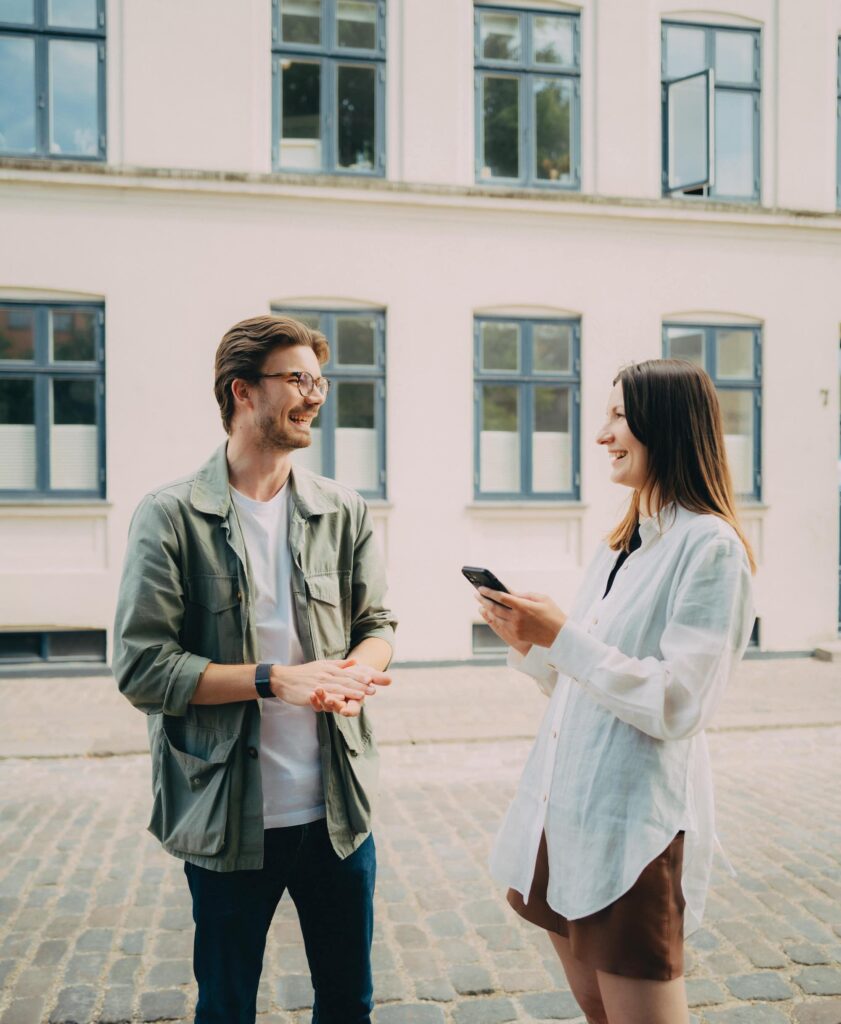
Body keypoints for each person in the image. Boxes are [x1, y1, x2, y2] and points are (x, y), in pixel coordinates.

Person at [113, 315, 397, 1024]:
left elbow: (376, 626)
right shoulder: (170, 516)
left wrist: (356, 673)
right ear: (243, 391)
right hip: (228, 815)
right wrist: (275, 679)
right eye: (297, 380)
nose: (314, 396)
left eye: (318, 381)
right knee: (228, 1003)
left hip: (337, 813)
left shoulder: (342, 509)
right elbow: (143, 668)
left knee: (348, 1001)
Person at [476, 358, 755, 1024]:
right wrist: (532, 643)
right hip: (565, 812)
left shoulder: (709, 548)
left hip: (631, 831)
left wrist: (564, 638)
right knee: (597, 1011)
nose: (601, 434)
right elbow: (589, 684)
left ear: (667, 425)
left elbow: (677, 704)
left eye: (617, 416)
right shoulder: (617, 544)